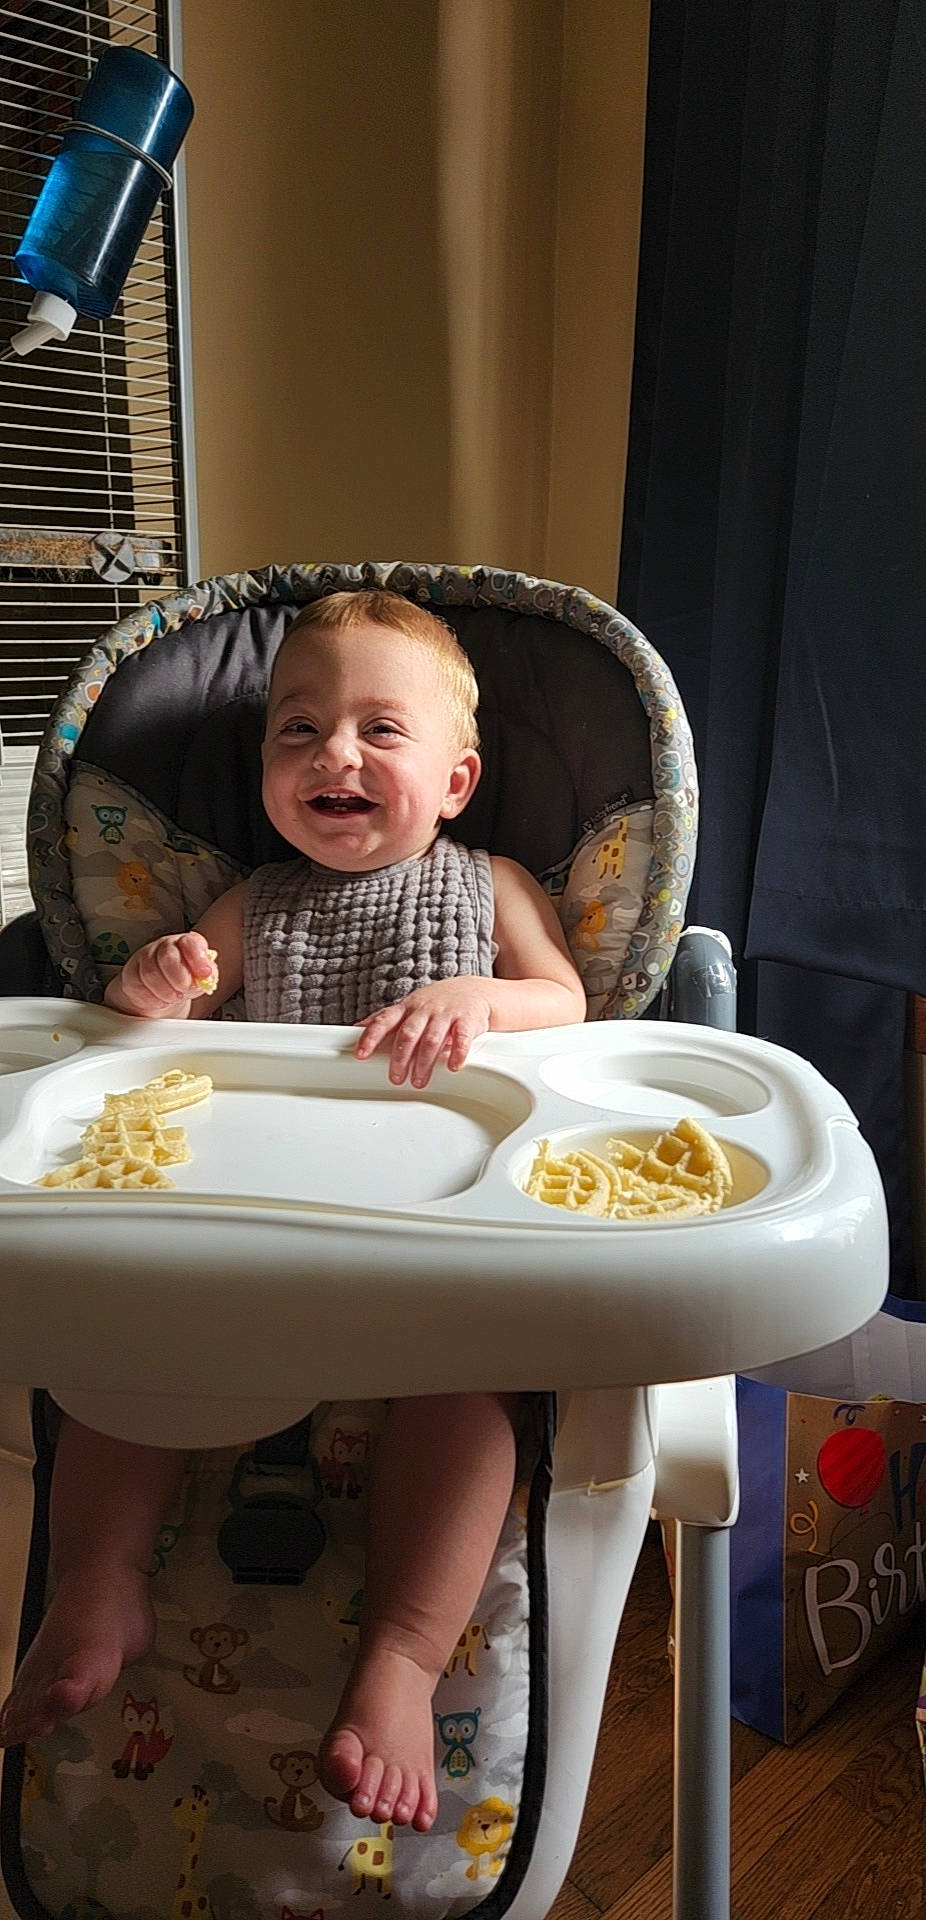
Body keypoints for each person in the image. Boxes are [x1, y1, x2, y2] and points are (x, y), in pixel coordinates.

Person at [0, 590, 586, 1833]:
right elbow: (150, 1032)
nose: (334, 754)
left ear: (457, 778)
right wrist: (154, 981)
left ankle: (405, 1660)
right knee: (125, 1363)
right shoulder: (251, 902)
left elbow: (566, 1002)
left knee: (475, 1393)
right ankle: (99, 1587)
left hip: (431, 1234)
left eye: (381, 728)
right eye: (298, 730)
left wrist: (480, 1000)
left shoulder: (490, 888)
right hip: (248, 1233)